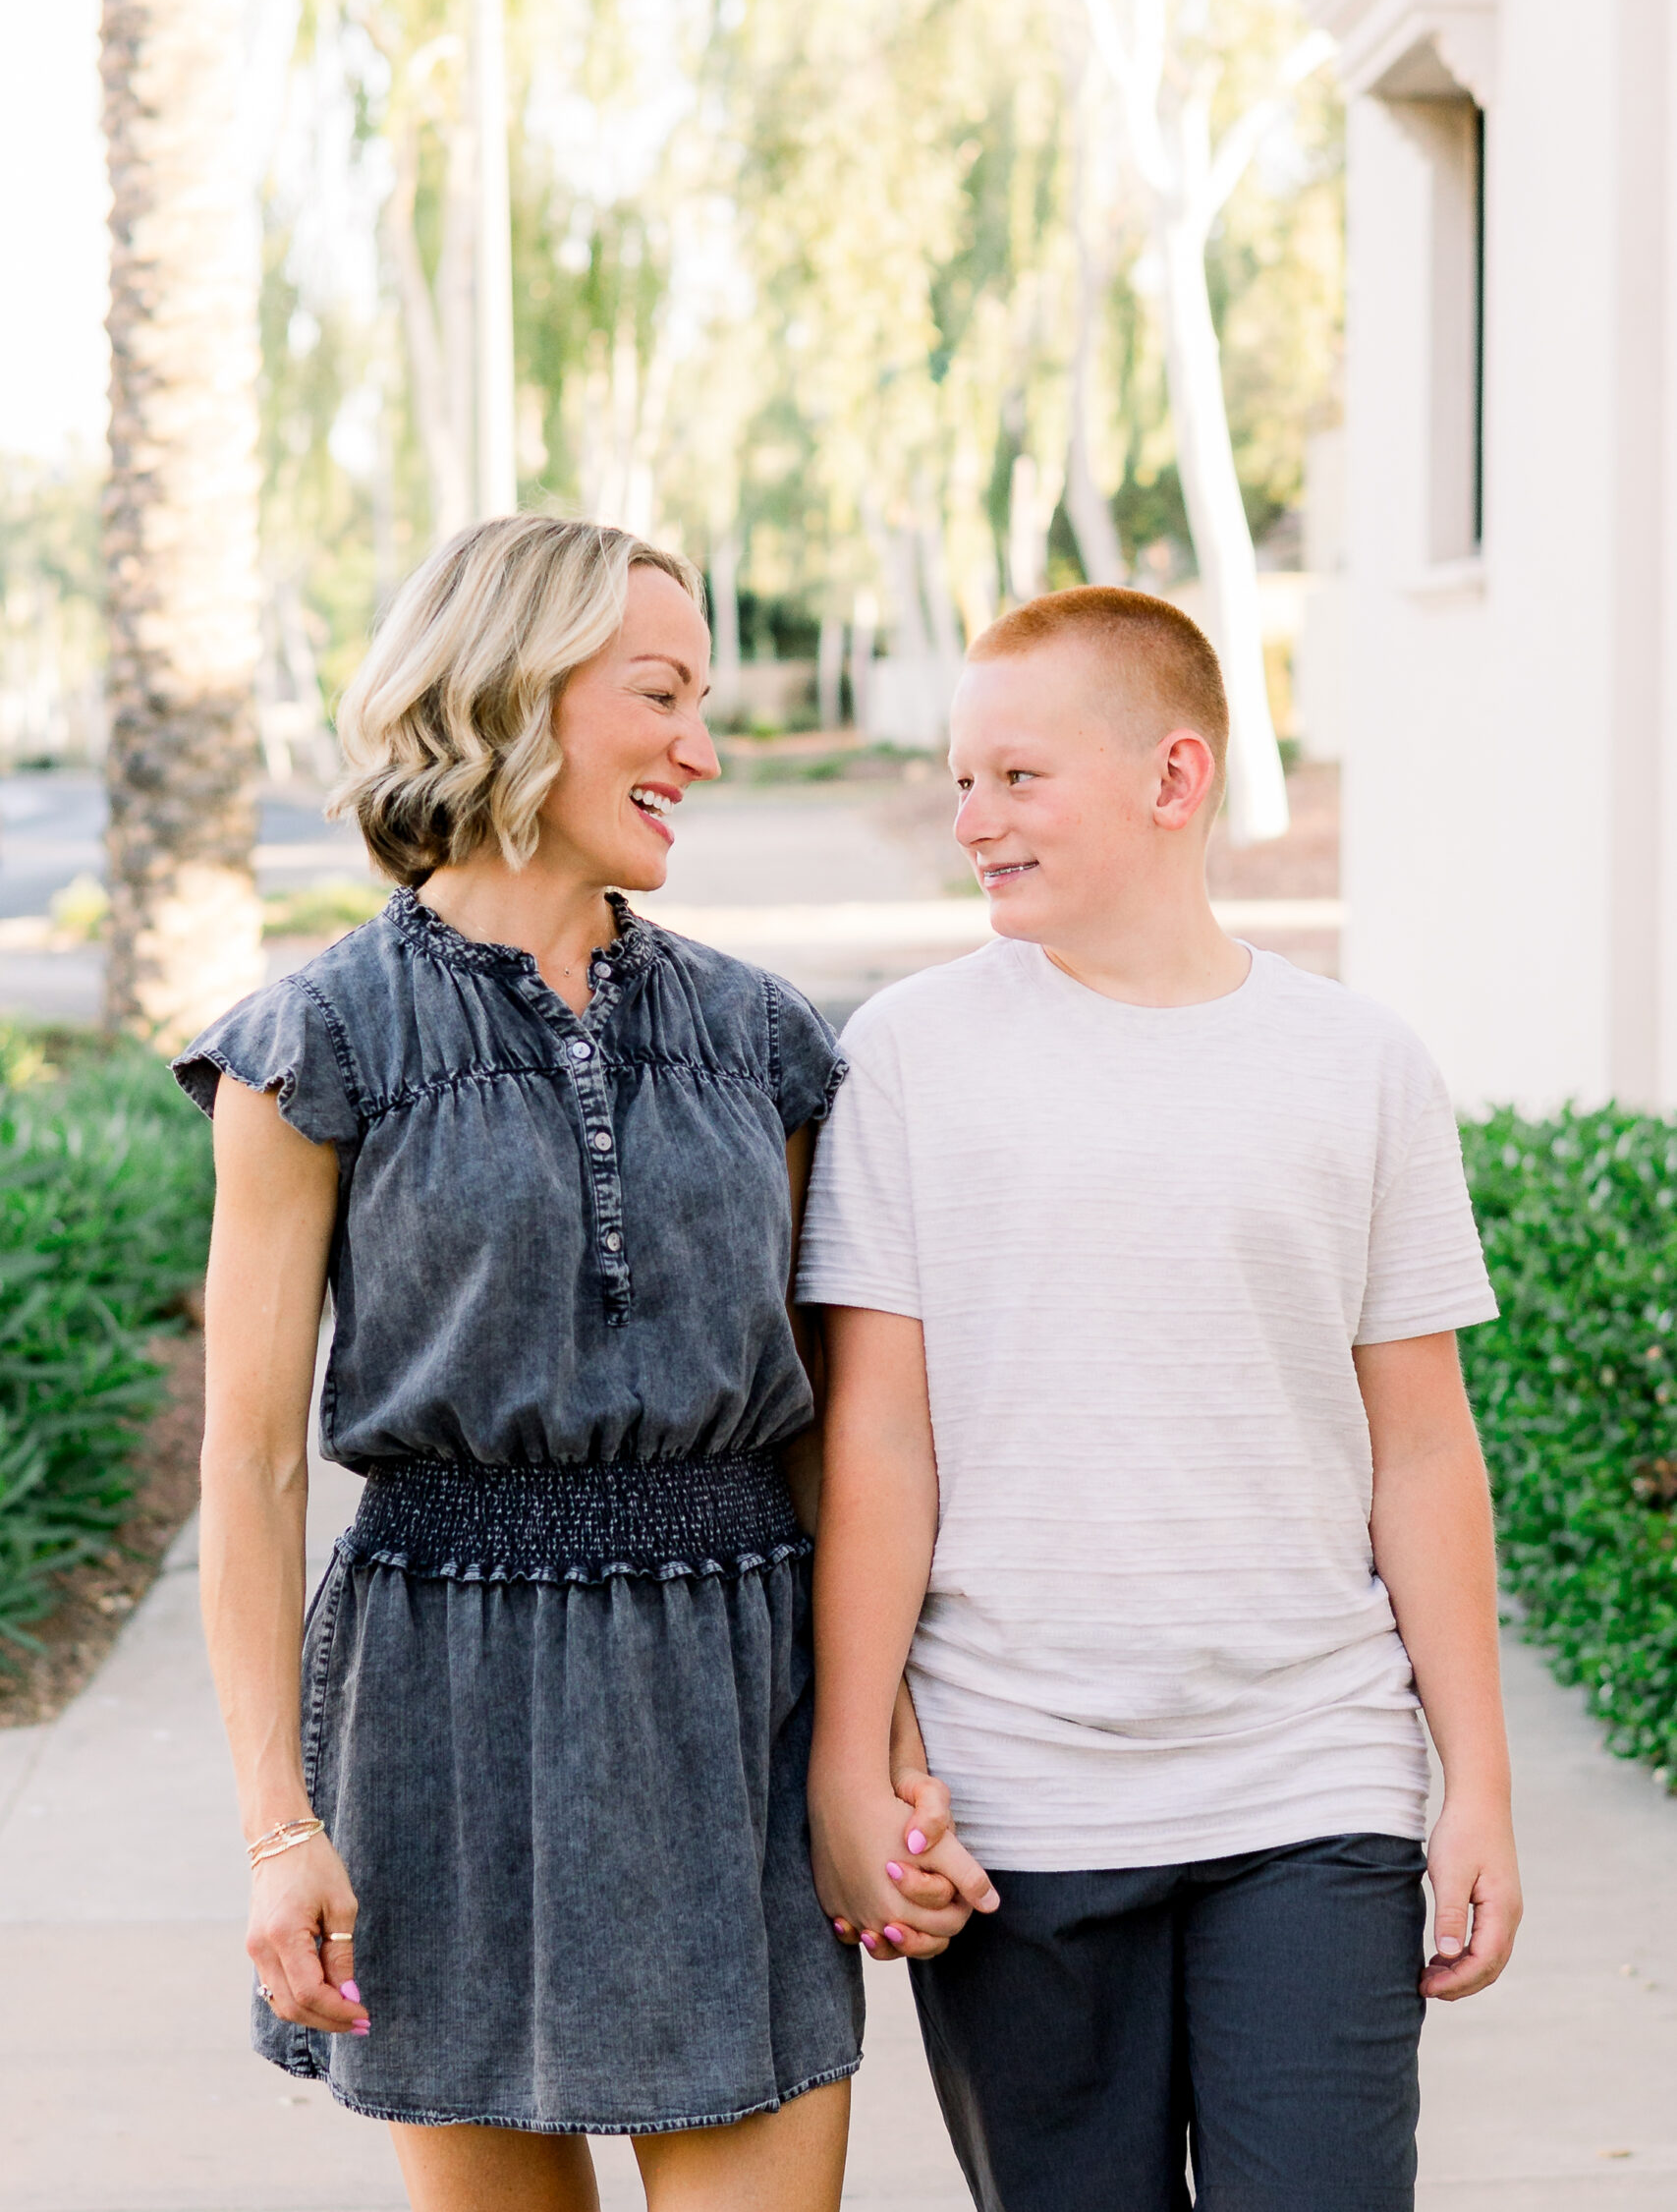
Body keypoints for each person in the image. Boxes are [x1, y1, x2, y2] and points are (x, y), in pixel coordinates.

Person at [175, 515, 975, 2212]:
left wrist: (873, 1746)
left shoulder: (761, 1042)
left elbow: (833, 1437)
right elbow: (244, 1472)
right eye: (662, 693)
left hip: (727, 1700)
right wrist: (274, 1825)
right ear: (516, 693)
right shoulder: (316, 1045)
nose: (702, 745)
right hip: (439, 1716)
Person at [798, 585, 1523, 2212]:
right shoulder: (910, 1058)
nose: (973, 819)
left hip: (1315, 1782)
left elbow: (1421, 1450)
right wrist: (854, 1762)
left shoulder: (1361, 1066)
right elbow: (880, 1439)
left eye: (1019, 778)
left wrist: (1473, 1780)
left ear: (1176, 778)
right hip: (1014, 1804)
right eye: (964, 779)